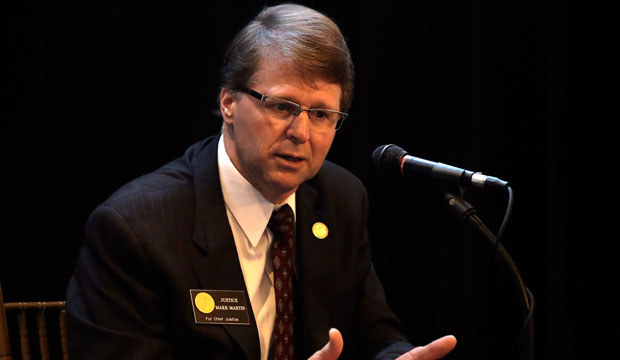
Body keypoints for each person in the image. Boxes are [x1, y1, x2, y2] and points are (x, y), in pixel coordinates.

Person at [66, 3, 456, 359]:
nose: (301, 132)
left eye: (321, 114)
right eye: (283, 106)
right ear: (228, 103)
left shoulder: (339, 199)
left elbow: (376, 333)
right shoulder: (136, 227)